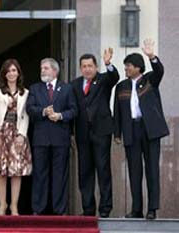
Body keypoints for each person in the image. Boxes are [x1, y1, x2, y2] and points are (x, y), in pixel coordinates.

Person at [114, 39, 169, 220]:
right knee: (134, 170)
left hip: (150, 130)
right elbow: (118, 112)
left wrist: (152, 56)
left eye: (129, 65)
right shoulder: (121, 86)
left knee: (152, 169)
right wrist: (117, 134)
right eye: (125, 65)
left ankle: (152, 209)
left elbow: (160, 70)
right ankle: (136, 209)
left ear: (138, 67)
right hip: (131, 130)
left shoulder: (150, 80)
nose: (126, 68)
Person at [71, 48, 119, 218]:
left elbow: (115, 77)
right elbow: (72, 109)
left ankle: (105, 208)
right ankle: (88, 209)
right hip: (82, 134)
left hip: (101, 132)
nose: (87, 69)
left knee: (103, 170)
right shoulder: (74, 84)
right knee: (85, 172)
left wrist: (109, 64)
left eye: (90, 66)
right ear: (80, 68)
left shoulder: (104, 79)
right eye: (84, 66)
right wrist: (71, 133)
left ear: (96, 67)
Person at [27, 58, 77, 215]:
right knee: (39, 174)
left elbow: (74, 110)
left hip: (60, 138)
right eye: (42, 68)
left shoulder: (66, 88)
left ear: (55, 71)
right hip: (41, 138)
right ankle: (38, 209)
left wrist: (60, 116)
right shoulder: (35, 88)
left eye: (46, 68)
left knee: (60, 174)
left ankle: (59, 209)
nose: (43, 71)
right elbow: (30, 108)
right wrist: (43, 112)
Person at [0, 59, 32, 216]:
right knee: (0, 171)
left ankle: (14, 206)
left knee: (16, 171)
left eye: (14, 70)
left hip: (17, 133)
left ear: (18, 73)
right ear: (4, 74)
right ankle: (2, 205)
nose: (12, 73)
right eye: (9, 71)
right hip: (0, 132)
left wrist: (22, 134)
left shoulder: (25, 92)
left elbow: (26, 115)